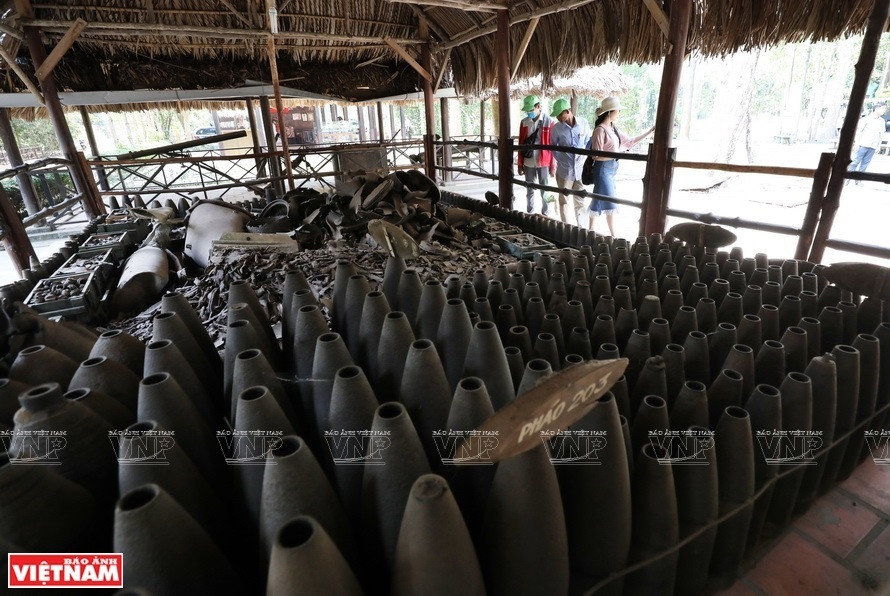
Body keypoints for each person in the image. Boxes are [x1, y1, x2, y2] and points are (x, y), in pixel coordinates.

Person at [588, 96, 654, 237]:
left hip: (611, 169)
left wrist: (649, 132)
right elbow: (595, 155)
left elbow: (629, 142)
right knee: (610, 199)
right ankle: (613, 234)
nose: (619, 113)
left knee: (599, 197)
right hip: (603, 168)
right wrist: (614, 154)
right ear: (610, 112)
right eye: (617, 110)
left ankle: (590, 229)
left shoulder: (613, 128)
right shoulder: (600, 130)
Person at [550, 98, 592, 226]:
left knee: (580, 200)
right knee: (564, 200)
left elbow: (587, 142)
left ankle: (582, 227)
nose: (557, 117)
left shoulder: (583, 123)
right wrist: (562, 159)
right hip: (565, 170)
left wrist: (582, 157)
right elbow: (553, 146)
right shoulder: (557, 128)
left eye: (559, 114)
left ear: (567, 111)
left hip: (579, 169)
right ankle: (565, 226)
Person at [517, 95, 556, 215]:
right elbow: (520, 143)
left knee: (546, 189)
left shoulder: (549, 122)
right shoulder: (524, 123)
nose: (529, 112)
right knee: (529, 188)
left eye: (531, 110)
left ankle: (546, 213)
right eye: (527, 111)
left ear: (538, 107)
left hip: (544, 161)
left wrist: (553, 166)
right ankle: (530, 212)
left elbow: (553, 146)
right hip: (528, 161)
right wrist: (520, 163)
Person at [849, 104, 887, 184]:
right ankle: (847, 178)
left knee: (865, 164)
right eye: (883, 108)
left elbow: (881, 134)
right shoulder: (865, 119)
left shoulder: (882, 121)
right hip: (863, 144)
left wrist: (878, 145)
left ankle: (858, 180)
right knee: (855, 162)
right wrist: (857, 143)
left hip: (873, 146)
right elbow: (858, 131)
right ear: (876, 108)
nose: (884, 110)